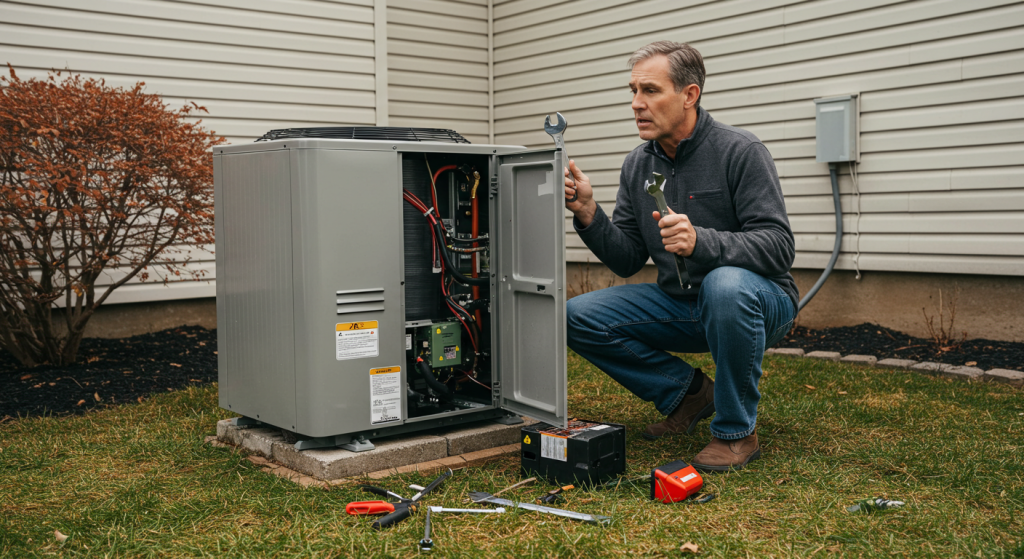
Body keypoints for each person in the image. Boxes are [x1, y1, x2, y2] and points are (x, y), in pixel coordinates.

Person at [563, 41, 799, 472]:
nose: (636, 104)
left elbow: (779, 245)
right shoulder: (638, 165)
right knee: (574, 315)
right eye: (633, 91)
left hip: (760, 300)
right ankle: (689, 394)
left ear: (689, 95)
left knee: (723, 284)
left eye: (650, 90)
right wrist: (588, 213)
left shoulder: (740, 151)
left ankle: (735, 433)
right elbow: (628, 258)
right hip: (681, 303)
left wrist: (702, 241)